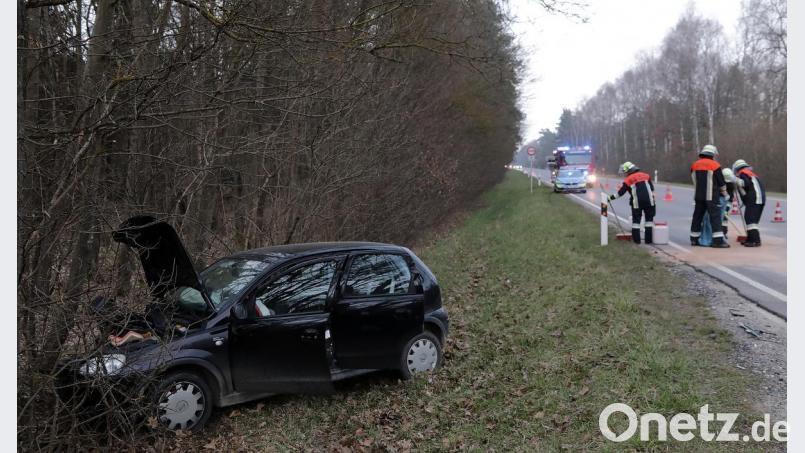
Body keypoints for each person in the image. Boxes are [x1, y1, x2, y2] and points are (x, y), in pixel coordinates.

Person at [690, 145, 730, 248]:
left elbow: (695, 180)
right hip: (712, 196)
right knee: (715, 218)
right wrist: (725, 194)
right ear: (712, 154)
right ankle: (718, 241)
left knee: (697, 217)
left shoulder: (694, 165)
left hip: (698, 196)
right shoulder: (715, 165)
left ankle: (694, 239)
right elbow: (721, 183)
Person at [608, 161, 656, 244]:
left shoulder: (628, 179)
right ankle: (648, 241)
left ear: (628, 171)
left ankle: (637, 241)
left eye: (625, 172)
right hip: (650, 201)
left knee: (636, 223)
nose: (625, 174)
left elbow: (620, 193)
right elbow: (651, 188)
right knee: (649, 221)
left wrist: (609, 198)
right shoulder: (646, 175)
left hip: (637, 203)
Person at [732, 159, 766, 247]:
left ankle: (755, 241)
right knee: (752, 220)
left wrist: (734, 179)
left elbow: (745, 184)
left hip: (754, 198)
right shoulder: (750, 173)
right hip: (759, 199)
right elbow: (748, 188)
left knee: (750, 219)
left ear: (736, 168)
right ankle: (750, 239)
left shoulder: (743, 173)